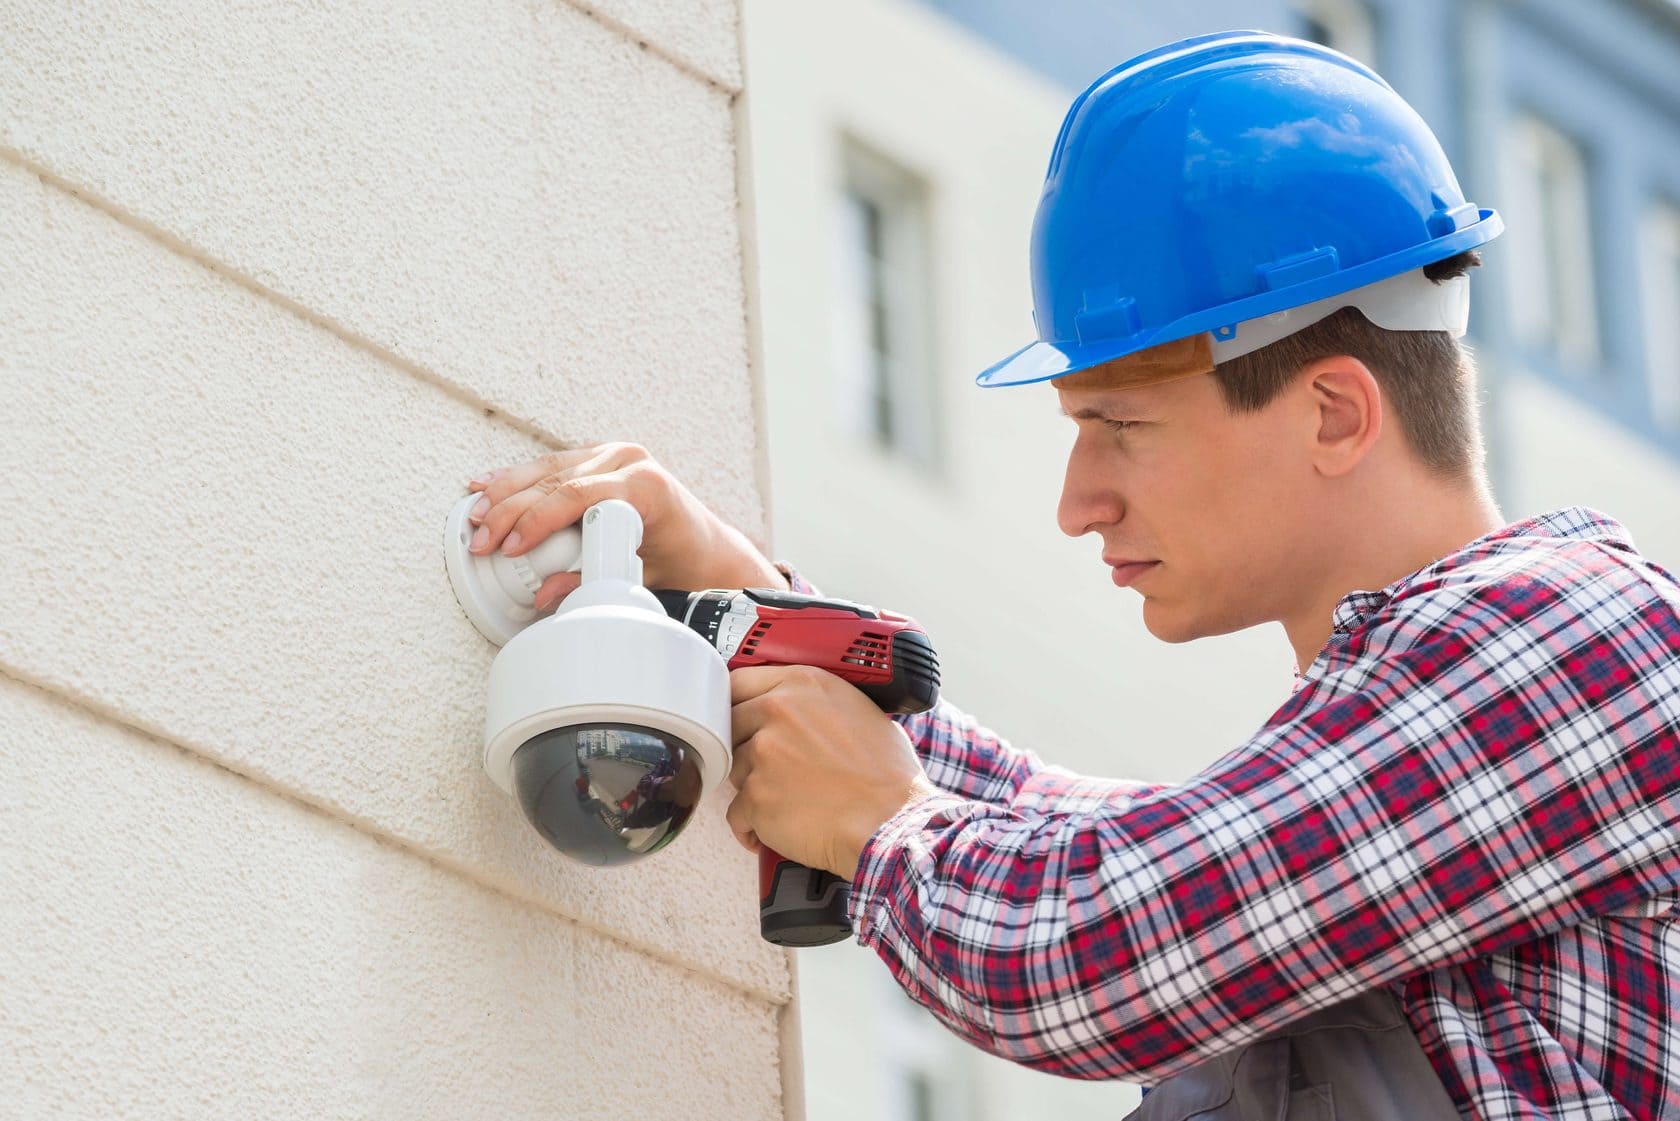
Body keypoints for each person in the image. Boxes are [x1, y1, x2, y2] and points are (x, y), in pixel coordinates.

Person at [462, 31, 1680, 1120]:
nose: (1076, 500)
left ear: (1331, 414)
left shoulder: (1587, 637)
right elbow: (1120, 851)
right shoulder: (1418, 760)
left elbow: (1102, 943)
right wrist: (762, 612)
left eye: (1124, 428)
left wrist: (884, 828)